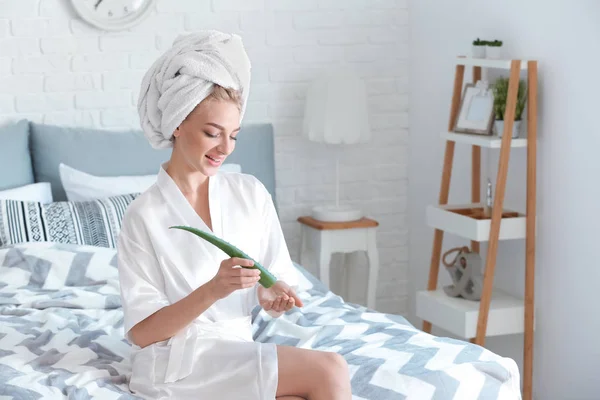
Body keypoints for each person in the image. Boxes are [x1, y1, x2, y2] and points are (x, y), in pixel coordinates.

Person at [117, 31, 352, 400]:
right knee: (330, 369)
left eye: (234, 135)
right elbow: (143, 334)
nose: (225, 148)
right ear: (178, 124)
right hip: (178, 361)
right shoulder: (144, 214)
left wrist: (271, 297)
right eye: (213, 133)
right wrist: (214, 288)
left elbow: (276, 282)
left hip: (239, 350)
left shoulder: (250, 193)